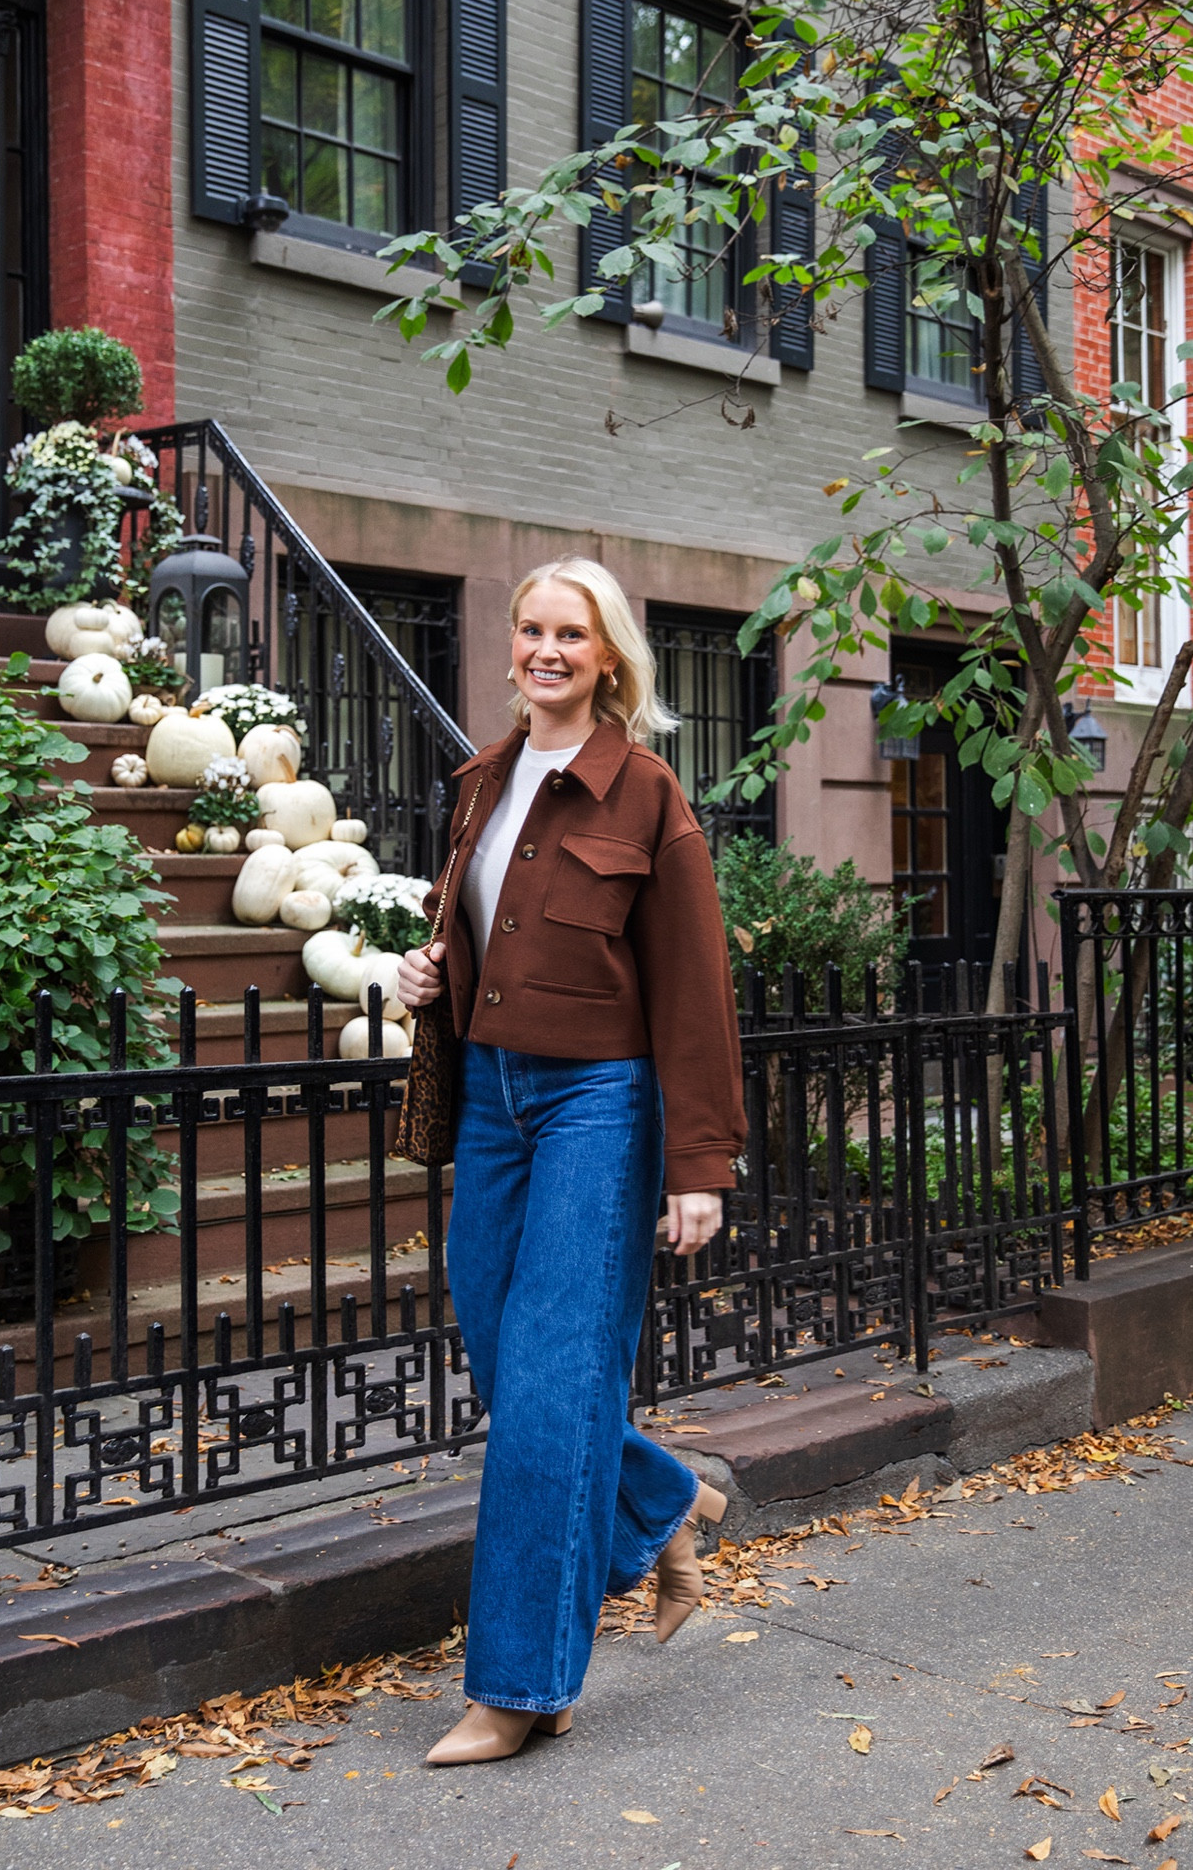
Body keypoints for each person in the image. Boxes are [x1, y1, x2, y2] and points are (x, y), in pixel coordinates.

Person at [398, 555, 747, 1768]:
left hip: (599, 1098)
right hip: (491, 1097)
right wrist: (424, 974)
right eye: (531, 629)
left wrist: (697, 1163)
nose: (547, 650)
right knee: (502, 1346)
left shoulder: (643, 792)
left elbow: (694, 990)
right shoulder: (484, 781)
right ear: (510, 646)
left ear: (609, 660)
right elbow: (482, 932)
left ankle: (519, 1685)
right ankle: (664, 1498)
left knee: (549, 1379)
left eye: (573, 634)